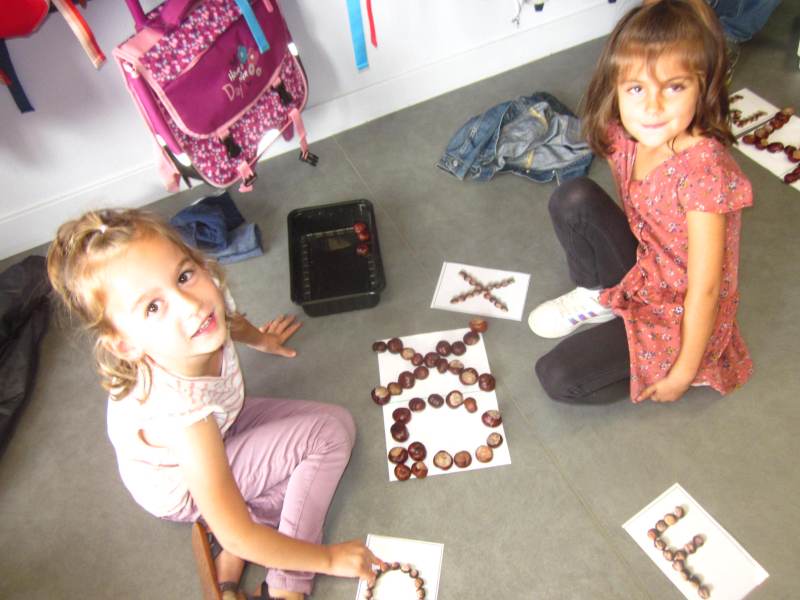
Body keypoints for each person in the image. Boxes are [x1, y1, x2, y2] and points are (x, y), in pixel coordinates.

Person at [46, 209, 380, 600]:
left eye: (184, 276)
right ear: (125, 344)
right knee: (326, 437)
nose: (190, 304)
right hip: (184, 483)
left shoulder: (206, 301)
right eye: (152, 307)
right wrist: (328, 559)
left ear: (199, 265)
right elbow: (236, 531)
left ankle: (230, 546)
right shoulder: (183, 417)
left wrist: (263, 340)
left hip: (222, 423)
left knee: (331, 428)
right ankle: (284, 585)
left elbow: (231, 320)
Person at [528, 0, 753, 404]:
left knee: (557, 377)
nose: (652, 107)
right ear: (616, 87)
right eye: (636, 88)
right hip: (649, 264)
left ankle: (673, 365)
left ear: (703, 85)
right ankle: (598, 294)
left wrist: (682, 373)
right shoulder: (626, 133)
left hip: (679, 308)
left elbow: (705, 289)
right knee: (572, 198)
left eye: (674, 87)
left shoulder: (704, 175)